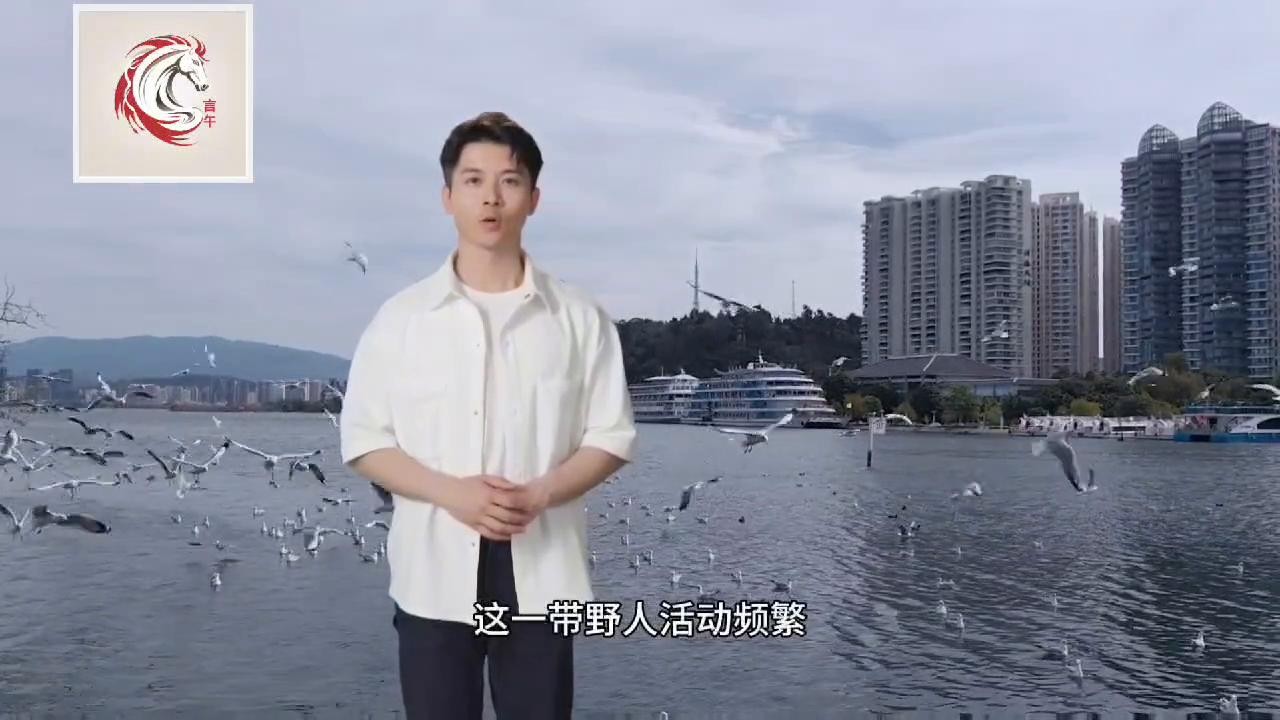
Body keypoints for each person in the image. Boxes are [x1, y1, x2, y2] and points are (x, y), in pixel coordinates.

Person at [339, 111, 637, 720]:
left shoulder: (580, 319)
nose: (491, 198)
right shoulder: (401, 320)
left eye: (509, 181)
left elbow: (610, 436)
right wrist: (452, 493)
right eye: (473, 180)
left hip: (544, 570)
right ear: (447, 197)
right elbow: (365, 440)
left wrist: (540, 493)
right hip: (432, 572)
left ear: (534, 198)